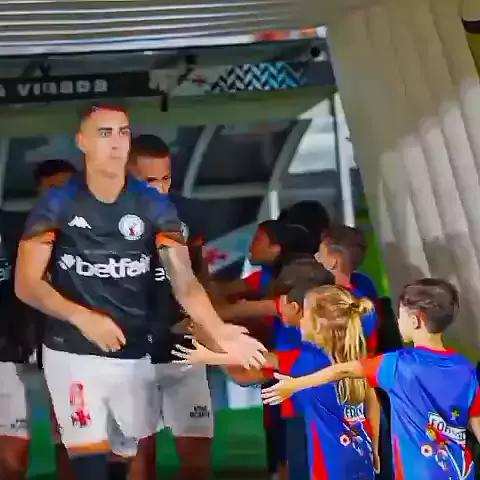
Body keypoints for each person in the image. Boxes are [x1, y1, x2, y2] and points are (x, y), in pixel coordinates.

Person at [14, 104, 266, 480]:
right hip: (72, 350)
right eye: (105, 133)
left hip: (134, 355)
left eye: (123, 132)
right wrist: (81, 316)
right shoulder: (56, 204)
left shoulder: (156, 208)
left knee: (124, 461)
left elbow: (185, 281)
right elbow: (27, 283)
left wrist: (219, 330)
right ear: (82, 142)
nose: (115, 142)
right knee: (89, 464)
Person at [263, 278, 480, 479]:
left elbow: (343, 371)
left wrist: (295, 384)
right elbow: (476, 421)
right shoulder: (466, 369)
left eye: (400, 316)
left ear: (416, 321)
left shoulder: (396, 365)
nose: (398, 321)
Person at [173, 285, 380, 479]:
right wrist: (376, 449)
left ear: (320, 324)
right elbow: (373, 404)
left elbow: (256, 360)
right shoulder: (357, 363)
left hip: (329, 463)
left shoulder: (308, 361)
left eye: (306, 313)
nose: (301, 319)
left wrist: (208, 350)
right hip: (359, 458)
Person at [127, 134, 213, 480]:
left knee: (197, 461)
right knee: (139, 459)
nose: (160, 188)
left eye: (165, 178)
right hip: (130, 355)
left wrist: (206, 322)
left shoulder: (187, 212)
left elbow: (201, 271)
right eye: (150, 181)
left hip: (184, 351)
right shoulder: (102, 216)